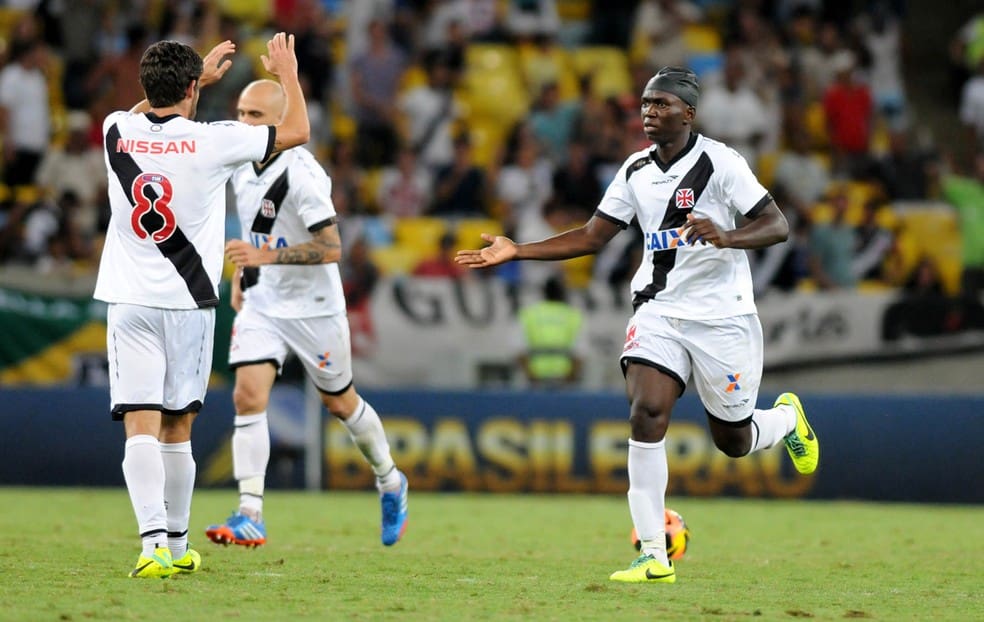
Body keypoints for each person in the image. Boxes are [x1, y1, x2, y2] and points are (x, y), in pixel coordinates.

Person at [456, 66, 819, 584]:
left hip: (723, 318)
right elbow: (591, 235)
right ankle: (653, 553)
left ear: (688, 114)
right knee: (646, 413)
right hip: (658, 311)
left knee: (734, 441)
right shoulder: (634, 171)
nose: (649, 113)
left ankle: (785, 420)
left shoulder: (722, 163)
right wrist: (519, 250)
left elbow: (777, 224)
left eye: (661, 104)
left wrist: (727, 236)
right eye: (646, 104)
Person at [93, 33, 310, 579]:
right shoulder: (216, 140)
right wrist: (286, 72)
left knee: (139, 425)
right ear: (194, 89)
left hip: (129, 301)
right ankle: (177, 541)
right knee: (178, 427)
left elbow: (142, 110)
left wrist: (190, 84)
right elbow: (299, 131)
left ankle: (152, 549)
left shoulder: (115, 129)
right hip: (190, 301)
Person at [205, 79, 409, 550]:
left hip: (314, 307)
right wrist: (244, 274)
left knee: (340, 403)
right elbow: (259, 229)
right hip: (263, 301)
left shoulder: (303, 174)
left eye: (255, 116)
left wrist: (264, 260)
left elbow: (331, 247)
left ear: (281, 122)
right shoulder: (240, 161)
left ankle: (390, 479)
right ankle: (249, 512)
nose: (244, 123)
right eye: (241, 113)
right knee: (247, 396)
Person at [516, 274, 584, 387]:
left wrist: (531, 377)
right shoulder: (573, 315)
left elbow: (518, 350)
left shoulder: (529, 314)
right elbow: (581, 353)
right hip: (563, 380)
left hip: (535, 380)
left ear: (544, 292)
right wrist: (570, 378)